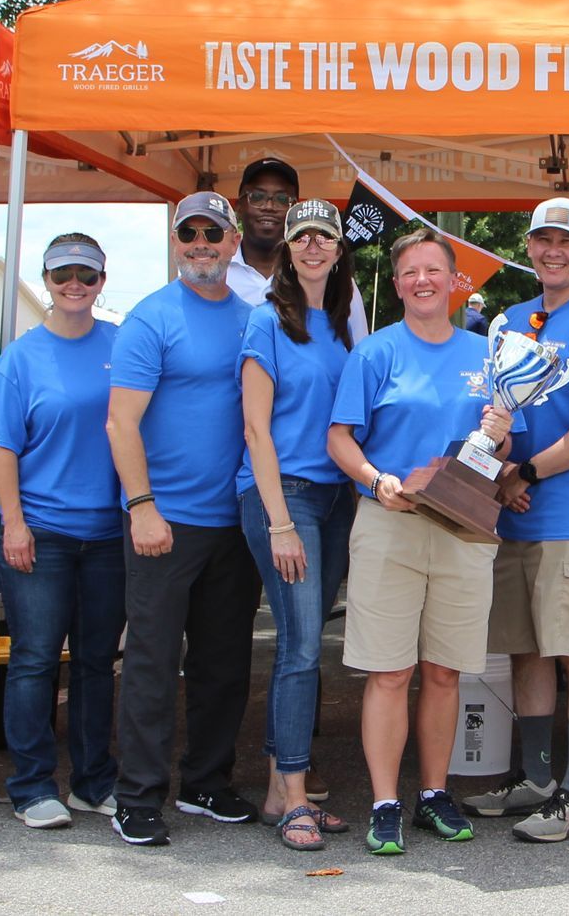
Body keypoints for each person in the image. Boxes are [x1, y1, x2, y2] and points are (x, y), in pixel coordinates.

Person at [327, 229, 519, 856]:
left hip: (463, 526)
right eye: (410, 272)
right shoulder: (374, 352)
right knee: (390, 672)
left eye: (433, 270)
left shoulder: (489, 356)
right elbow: (339, 438)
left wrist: (501, 431)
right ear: (398, 283)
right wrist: (374, 479)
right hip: (391, 523)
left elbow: (500, 449)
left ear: (455, 280)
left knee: (444, 671)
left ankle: (434, 793)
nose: (422, 281)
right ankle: (385, 802)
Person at [464, 199, 569, 843]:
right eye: (543, 239)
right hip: (512, 517)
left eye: (567, 241)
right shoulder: (511, 320)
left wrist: (525, 475)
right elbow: (496, 416)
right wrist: (498, 470)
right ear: (529, 247)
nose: (553, 251)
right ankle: (537, 779)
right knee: (526, 649)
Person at [106, 192, 261, 847]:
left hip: (235, 520)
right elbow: (121, 422)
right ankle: (137, 794)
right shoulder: (151, 317)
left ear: (233, 243)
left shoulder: (254, 319)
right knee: (151, 662)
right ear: (176, 242)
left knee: (224, 663)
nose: (201, 243)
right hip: (163, 521)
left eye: (213, 233)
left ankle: (205, 781)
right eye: (189, 233)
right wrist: (142, 506)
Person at [0, 234, 124, 830]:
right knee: (34, 660)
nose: (74, 284)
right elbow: (2, 447)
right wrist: (14, 523)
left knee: (95, 662)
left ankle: (91, 781)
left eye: (86, 273)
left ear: (102, 281)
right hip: (41, 532)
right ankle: (32, 786)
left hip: (109, 533)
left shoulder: (122, 344)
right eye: (62, 274)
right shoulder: (20, 358)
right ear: (46, 280)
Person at [238, 199, 358, 851]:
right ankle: (293, 797)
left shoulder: (341, 325)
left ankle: (278, 790)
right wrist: (280, 523)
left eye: (324, 236)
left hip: (337, 498)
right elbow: (256, 429)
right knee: (302, 646)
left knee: (306, 644)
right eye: (302, 235)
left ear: (338, 250)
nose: (313, 245)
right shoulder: (266, 320)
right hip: (284, 497)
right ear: (287, 248)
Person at [226, 157, 368, 342]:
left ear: (295, 211)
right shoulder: (217, 271)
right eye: (257, 196)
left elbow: (359, 350)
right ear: (238, 206)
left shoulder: (333, 282)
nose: (269, 206)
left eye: (282, 199)